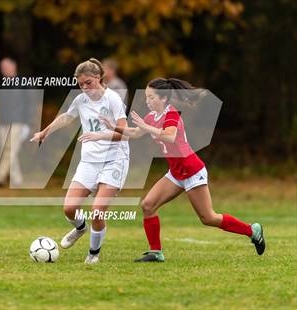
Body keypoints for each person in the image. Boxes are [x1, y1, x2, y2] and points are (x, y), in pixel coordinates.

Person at [101, 77, 265, 262]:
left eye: (151, 97)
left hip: (192, 171)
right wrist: (113, 127)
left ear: (163, 98)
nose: (147, 101)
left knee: (208, 218)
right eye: (146, 97)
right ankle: (156, 252)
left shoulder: (171, 114)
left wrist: (147, 127)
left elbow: (169, 137)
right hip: (176, 172)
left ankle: (252, 230)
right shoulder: (151, 117)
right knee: (148, 205)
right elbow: (136, 133)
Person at [30, 58, 130, 264]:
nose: (84, 88)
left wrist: (99, 136)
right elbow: (67, 117)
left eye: (88, 83)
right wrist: (44, 132)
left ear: (98, 78)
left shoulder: (112, 99)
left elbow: (124, 133)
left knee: (97, 210)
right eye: (80, 84)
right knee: (69, 208)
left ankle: (93, 254)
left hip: (114, 160)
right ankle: (80, 227)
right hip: (89, 161)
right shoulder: (81, 99)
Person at [0, 57, 31, 187]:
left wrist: (27, 124)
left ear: (14, 66)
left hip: (17, 121)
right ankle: (17, 179)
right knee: (6, 150)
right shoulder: (1, 84)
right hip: (3, 122)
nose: (4, 70)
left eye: (6, 67)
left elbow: (28, 104)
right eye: (2, 68)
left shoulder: (23, 83)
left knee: (11, 150)